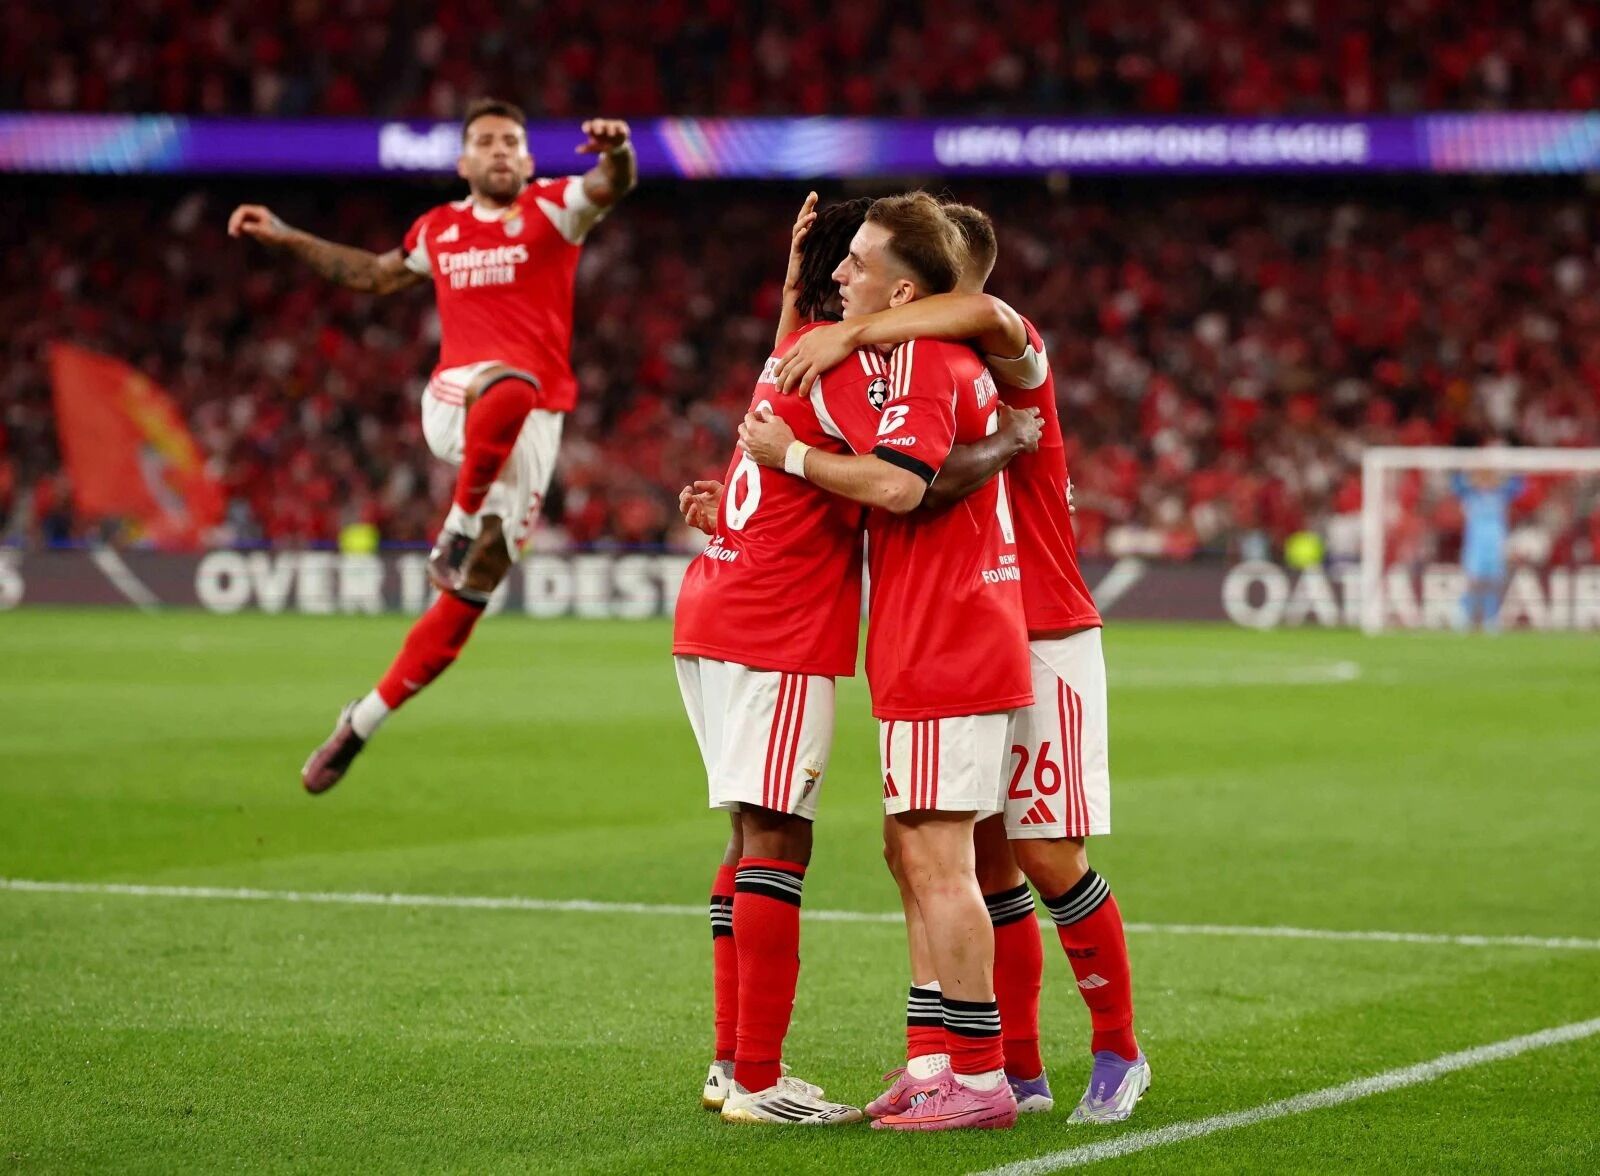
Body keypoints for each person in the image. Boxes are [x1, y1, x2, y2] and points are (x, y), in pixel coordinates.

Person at [770, 201, 1149, 1124]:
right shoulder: (914, 374)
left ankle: (1118, 1050)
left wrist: (849, 331)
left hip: (1044, 627)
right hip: (968, 628)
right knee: (971, 859)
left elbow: (983, 316)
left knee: (1044, 851)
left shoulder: (1009, 360)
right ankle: (1013, 1066)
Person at [227, 98, 636, 792]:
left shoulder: (554, 208)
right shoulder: (438, 228)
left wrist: (617, 152)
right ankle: (458, 521)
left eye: (511, 142)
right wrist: (287, 237)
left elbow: (611, 184)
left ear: (528, 159)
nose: (500, 150)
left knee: (477, 585)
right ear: (463, 162)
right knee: (510, 384)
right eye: (486, 141)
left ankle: (362, 721)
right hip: (460, 397)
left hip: (535, 425)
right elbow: (373, 275)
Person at [739, 191, 1034, 1131]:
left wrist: (789, 457)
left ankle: (980, 1077)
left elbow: (903, 487)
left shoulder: (922, 359)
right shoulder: (917, 357)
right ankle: (933, 1057)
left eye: (858, 262)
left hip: (950, 634)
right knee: (910, 852)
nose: (841, 274)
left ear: (904, 291)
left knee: (940, 862)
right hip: (930, 631)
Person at [672, 193, 878, 1126]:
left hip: (717, 604)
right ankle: (758, 1077)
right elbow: (893, 483)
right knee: (778, 839)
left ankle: (731, 1063)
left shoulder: (787, 350)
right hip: (775, 624)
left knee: (749, 831)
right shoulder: (841, 366)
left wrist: (797, 267)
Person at [1451, 469, 1524, 633]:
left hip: (1495, 547)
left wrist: (1513, 468)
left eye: (1489, 478)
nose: (1486, 482)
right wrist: (1463, 471)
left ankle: (1491, 618)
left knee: (1493, 584)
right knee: (1474, 583)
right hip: (1475, 547)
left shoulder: (1501, 495)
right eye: (1482, 478)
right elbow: (1455, 484)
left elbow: (1519, 486)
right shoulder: (1471, 496)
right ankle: (1465, 615)